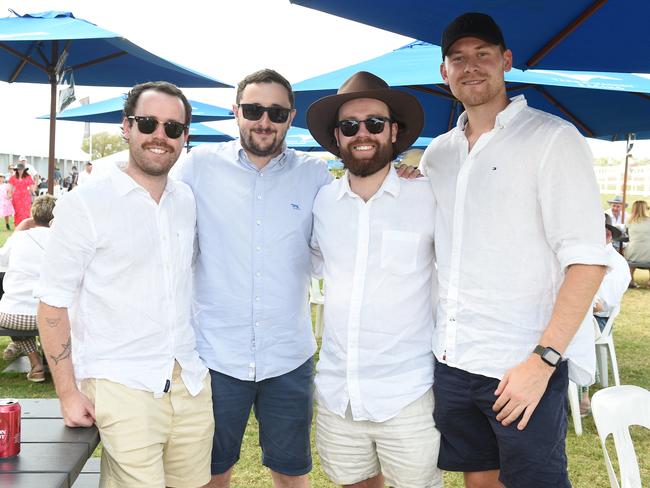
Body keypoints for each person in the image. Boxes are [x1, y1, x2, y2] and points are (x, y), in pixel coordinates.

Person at [420, 12, 607, 488]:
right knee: (479, 480)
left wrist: (542, 361)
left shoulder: (553, 139)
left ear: (506, 61)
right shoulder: (437, 154)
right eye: (458, 58)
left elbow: (587, 260)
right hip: (452, 360)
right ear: (445, 72)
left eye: (483, 54)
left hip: (521, 363)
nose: (471, 66)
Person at [34, 81, 214, 488]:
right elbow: (52, 303)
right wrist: (66, 393)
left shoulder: (186, 200)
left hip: (189, 380)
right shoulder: (86, 204)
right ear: (126, 126)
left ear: (185, 137)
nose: (160, 136)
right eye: (148, 122)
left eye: (173, 128)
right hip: (121, 384)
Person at [179, 69, 332, 488]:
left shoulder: (316, 175)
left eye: (276, 112)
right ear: (236, 112)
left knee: (291, 471)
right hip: (216, 354)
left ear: (291, 116)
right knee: (210, 472)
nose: (264, 121)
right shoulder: (197, 167)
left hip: (287, 355)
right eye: (253, 109)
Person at [307, 71, 442, 488]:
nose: (362, 133)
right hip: (337, 394)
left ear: (394, 131)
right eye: (350, 126)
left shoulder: (431, 197)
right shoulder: (323, 202)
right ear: (337, 136)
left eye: (374, 123)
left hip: (408, 394)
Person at [0, 195, 56, 382]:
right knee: (47, 320)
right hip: (50, 316)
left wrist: (19, 229)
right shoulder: (63, 240)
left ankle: (35, 364)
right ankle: (48, 359)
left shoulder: (19, 238)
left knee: (16, 320)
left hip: (13, 315)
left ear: (33, 215)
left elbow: (1, 261)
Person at [580, 214, 630, 415]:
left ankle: (582, 397)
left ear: (607, 234)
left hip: (596, 323)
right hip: (583, 318)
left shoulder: (616, 264)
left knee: (569, 333)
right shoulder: (588, 257)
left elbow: (599, 305)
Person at [625, 200, 650, 288]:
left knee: (633, 251)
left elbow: (626, 234)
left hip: (633, 254)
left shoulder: (629, 221)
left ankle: (630, 281)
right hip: (648, 254)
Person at [9, 160, 35, 226]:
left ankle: (25, 224)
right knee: (18, 211)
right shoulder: (13, 177)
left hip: (26, 196)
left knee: (26, 210)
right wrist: (9, 194)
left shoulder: (28, 177)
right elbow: (11, 188)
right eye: (19, 169)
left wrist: (34, 193)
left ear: (24, 170)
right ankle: (18, 224)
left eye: (21, 169)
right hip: (16, 196)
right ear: (17, 170)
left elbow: (31, 187)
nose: (20, 170)